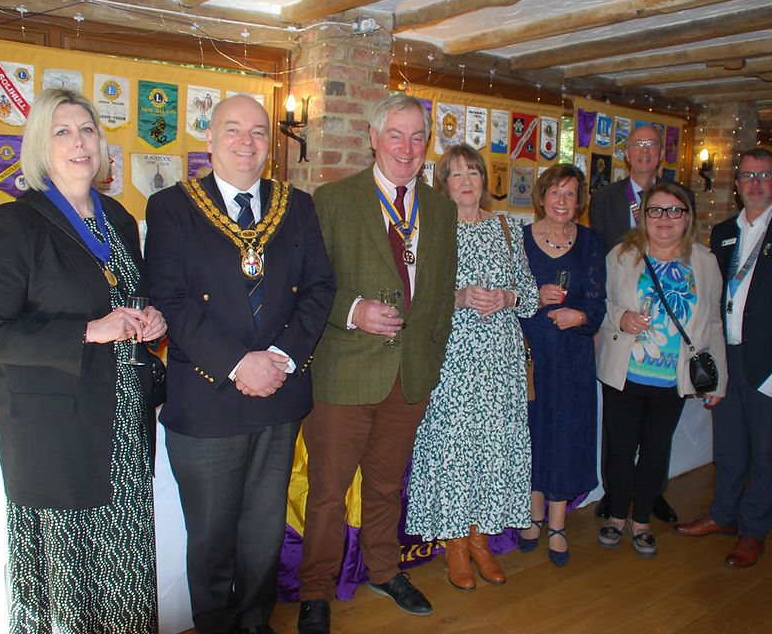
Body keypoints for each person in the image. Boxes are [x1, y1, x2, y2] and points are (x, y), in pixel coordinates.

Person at [0, 88, 167, 633]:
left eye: (87, 130)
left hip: (124, 428)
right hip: (56, 438)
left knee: (124, 577)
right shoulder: (16, 223)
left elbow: (127, 298)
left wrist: (150, 320)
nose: (79, 142)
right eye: (62, 132)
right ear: (41, 146)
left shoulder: (119, 219)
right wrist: (89, 331)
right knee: (70, 591)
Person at [145, 94, 335, 634]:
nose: (246, 141)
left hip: (278, 393)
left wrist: (279, 358)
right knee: (211, 539)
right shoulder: (172, 207)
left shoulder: (296, 206)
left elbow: (319, 288)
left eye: (257, 131)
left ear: (269, 144)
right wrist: (236, 364)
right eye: (232, 129)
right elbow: (170, 299)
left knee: (263, 534)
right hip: (207, 400)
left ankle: (255, 624)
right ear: (209, 138)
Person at [296, 94, 458, 634]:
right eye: (396, 135)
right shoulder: (333, 200)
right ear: (373, 137)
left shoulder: (440, 210)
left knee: (387, 487)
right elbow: (310, 285)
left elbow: (440, 293)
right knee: (328, 494)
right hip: (343, 374)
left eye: (417, 137)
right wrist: (354, 310)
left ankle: (385, 571)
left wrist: (430, 356)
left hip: (409, 377)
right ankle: (316, 591)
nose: (407, 148)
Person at [675, 148, 772, 568]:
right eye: (747, 176)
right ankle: (724, 514)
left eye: (763, 175)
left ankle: (753, 529)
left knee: (765, 450)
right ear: (737, 183)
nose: (755, 183)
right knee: (728, 445)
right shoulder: (724, 232)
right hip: (728, 356)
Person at [405, 144, 539, 591]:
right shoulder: (431, 230)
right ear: (443, 185)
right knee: (454, 451)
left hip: (501, 362)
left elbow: (531, 296)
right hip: (453, 361)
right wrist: (458, 297)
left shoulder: (508, 228)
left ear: (485, 180)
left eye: (474, 173)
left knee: (493, 450)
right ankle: (456, 545)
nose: (466, 181)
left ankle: (481, 541)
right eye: (456, 174)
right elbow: (417, 298)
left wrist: (507, 297)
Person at [596, 181, 727, 558]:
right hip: (625, 374)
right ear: (644, 216)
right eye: (656, 210)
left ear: (688, 217)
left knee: (655, 451)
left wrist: (718, 380)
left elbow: (713, 323)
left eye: (675, 210)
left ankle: (641, 522)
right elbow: (599, 303)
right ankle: (616, 516)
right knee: (620, 450)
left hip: (672, 378)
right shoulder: (622, 255)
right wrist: (621, 317)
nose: (665, 218)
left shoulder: (704, 262)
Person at [589, 124, 680, 524]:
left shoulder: (678, 197)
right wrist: (601, 323)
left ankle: (653, 492)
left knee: (659, 431)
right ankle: (615, 493)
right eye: (638, 145)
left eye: (652, 145)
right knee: (619, 428)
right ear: (626, 154)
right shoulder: (606, 198)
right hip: (620, 323)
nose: (645, 151)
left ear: (661, 153)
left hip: (666, 333)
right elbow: (596, 263)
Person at [518, 163, 606, 567]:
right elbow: (509, 297)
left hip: (572, 359)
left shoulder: (590, 242)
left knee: (565, 436)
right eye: (555, 191)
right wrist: (535, 297)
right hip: (531, 357)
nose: (562, 200)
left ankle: (556, 525)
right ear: (542, 196)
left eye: (570, 194)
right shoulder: (520, 239)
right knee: (533, 432)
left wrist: (580, 316)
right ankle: (533, 516)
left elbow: (598, 305)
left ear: (579, 201)